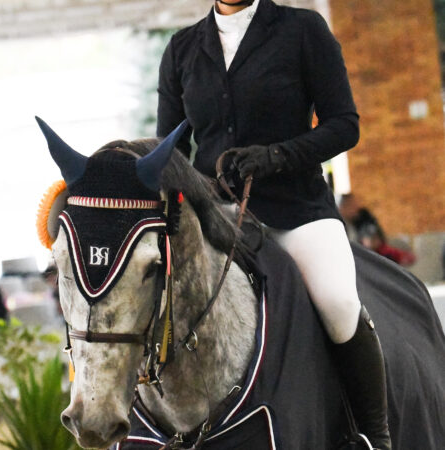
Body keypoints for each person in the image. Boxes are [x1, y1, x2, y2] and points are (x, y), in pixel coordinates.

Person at [157, 1, 390, 448]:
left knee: (338, 303)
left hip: (295, 209)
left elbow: (344, 125)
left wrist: (277, 155)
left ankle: (374, 436)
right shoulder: (182, 49)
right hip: (217, 221)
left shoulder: (302, 29)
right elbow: (169, 147)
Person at [339, 194, 415, 266]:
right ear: (343, 207)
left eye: (355, 205)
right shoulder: (341, 225)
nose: (355, 209)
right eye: (351, 206)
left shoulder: (363, 218)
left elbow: (374, 241)